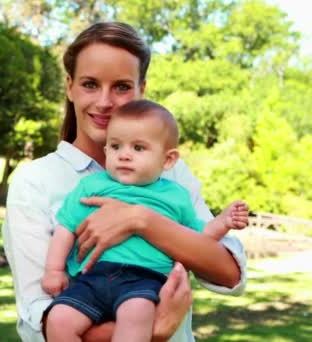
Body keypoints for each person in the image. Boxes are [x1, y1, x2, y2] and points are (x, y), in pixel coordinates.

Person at [2, 21, 247, 342]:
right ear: (69, 86)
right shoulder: (35, 182)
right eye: (90, 84)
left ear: (141, 89)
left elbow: (229, 273)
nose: (104, 102)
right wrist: (154, 332)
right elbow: (41, 322)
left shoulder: (171, 172)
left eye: (121, 86)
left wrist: (140, 220)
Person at [41, 99, 249, 342]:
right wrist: (54, 270)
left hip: (143, 281)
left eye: (138, 148)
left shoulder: (175, 196)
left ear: (168, 159)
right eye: (116, 146)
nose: (125, 156)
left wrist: (223, 222)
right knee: (58, 320)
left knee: (136, 318)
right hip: (93, 277)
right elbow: (66, 226)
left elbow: (198, 236)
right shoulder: (91, 186)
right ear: (107, 150)